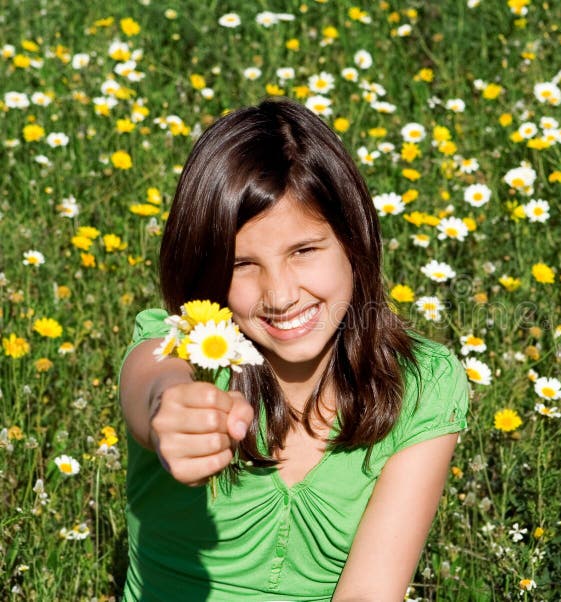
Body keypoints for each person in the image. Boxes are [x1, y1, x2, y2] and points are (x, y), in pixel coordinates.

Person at [119, 97, 469, 601]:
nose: (280, 295)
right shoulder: (179, 347)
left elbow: (369, 593)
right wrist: (166, 411)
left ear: (354, 240)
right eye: (242, 265)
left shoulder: (423, 384)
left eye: (303, 251)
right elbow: (153, 386)